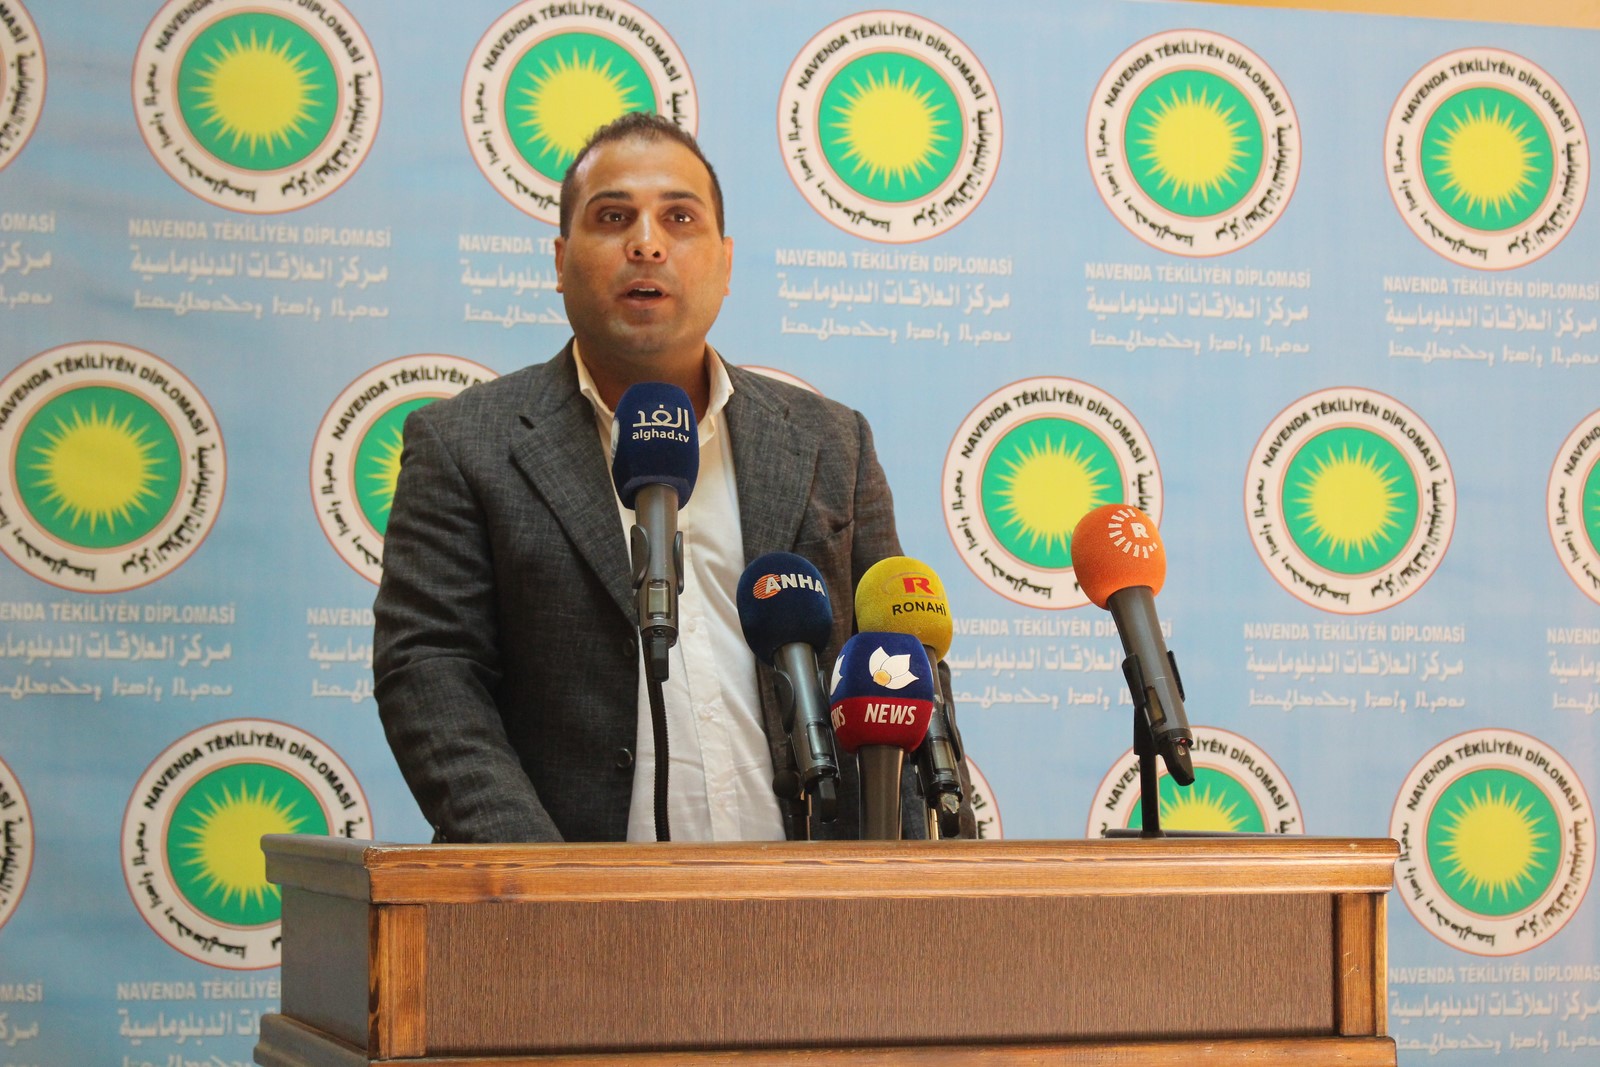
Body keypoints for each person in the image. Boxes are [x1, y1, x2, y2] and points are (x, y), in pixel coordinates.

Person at [373, 112, 970, 843]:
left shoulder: (830, 442)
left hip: (813, 896)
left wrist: (906, 869)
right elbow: (430, 672)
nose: (647, 243)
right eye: (613, 217)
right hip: (574, 899)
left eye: (679, 218)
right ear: (560, 260)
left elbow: (897, 668)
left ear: (725, 263)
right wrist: (542, 881)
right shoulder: (465, 444)